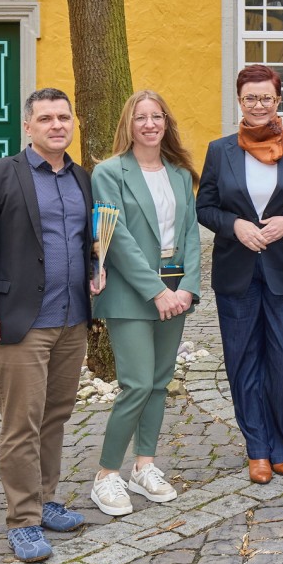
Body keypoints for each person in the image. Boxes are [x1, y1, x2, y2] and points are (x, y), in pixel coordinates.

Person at [0, 88, 104, 563]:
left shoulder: (81, 178)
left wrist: (94, 269)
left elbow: (84, 241)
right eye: (46, 118)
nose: (57, 125)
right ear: (28, 126)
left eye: (64, 117)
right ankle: (22, 520)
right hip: (20, 323)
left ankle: (45, 500)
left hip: (72, 318)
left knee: (55, 416)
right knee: (20, 423)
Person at [197, 65, 283, 485]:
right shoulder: (221, 151)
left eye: (266, 97)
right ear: (239, 102)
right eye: (251, 98)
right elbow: (205, 207)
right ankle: (258, 450)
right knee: (243, 362)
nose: (259, 105)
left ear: (278, 100)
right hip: (237, 272)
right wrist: (235, 225)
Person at [88, 90, 201, 516]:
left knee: (158, 382)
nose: (150, 124)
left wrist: (187, 287)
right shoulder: (109, 172)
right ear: (128, 124)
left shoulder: (179, 174)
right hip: (131, 293)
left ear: (167, 123)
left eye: (157, 116)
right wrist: (156, 291)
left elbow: (191, 233)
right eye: (141, 117)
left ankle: (144, 466)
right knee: (136, 384)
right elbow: (116, 239)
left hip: (176, 291)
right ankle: (106, 475)